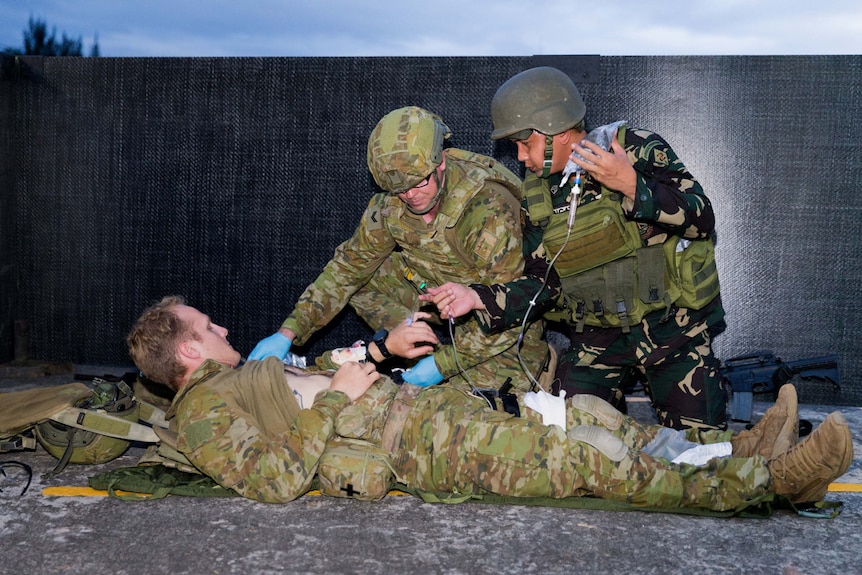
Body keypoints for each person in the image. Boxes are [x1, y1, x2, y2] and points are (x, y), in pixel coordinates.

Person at [126, 295, 853, 510]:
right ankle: (767, 486)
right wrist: (338, 396)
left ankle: (738, 449)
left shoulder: (235, 382)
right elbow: (275, 480)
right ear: (186, 352)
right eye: (206, 326)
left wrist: (376, 354)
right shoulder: (202, 412)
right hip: (418, 446)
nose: (222, 326)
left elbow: (319, 379)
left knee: (590, 424)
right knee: (586, 462)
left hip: (431, 415)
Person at [423, 66, 728, 430]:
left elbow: (701, 218)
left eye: (525, 144)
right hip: (598, 339)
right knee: (564, 444)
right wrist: (477, 299)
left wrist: (631, 185)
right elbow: (543, 283)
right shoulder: (538, 193)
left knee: (699, 456)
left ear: (558, 131)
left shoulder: (632, 149)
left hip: (671, 329)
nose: (521, 158)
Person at [248, 106, 549, 395]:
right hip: (438, 296)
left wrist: (442, 366)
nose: (411, 196)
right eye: (400, 189)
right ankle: (417, 344)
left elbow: (516, 306)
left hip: (501, 318)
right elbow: (347, 269)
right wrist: (288, 331)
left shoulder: (488, 208)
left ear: (440, 161)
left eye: (419, 183)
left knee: (470, 405)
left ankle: (532, 364)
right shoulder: (394, 201)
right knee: (364, 275)